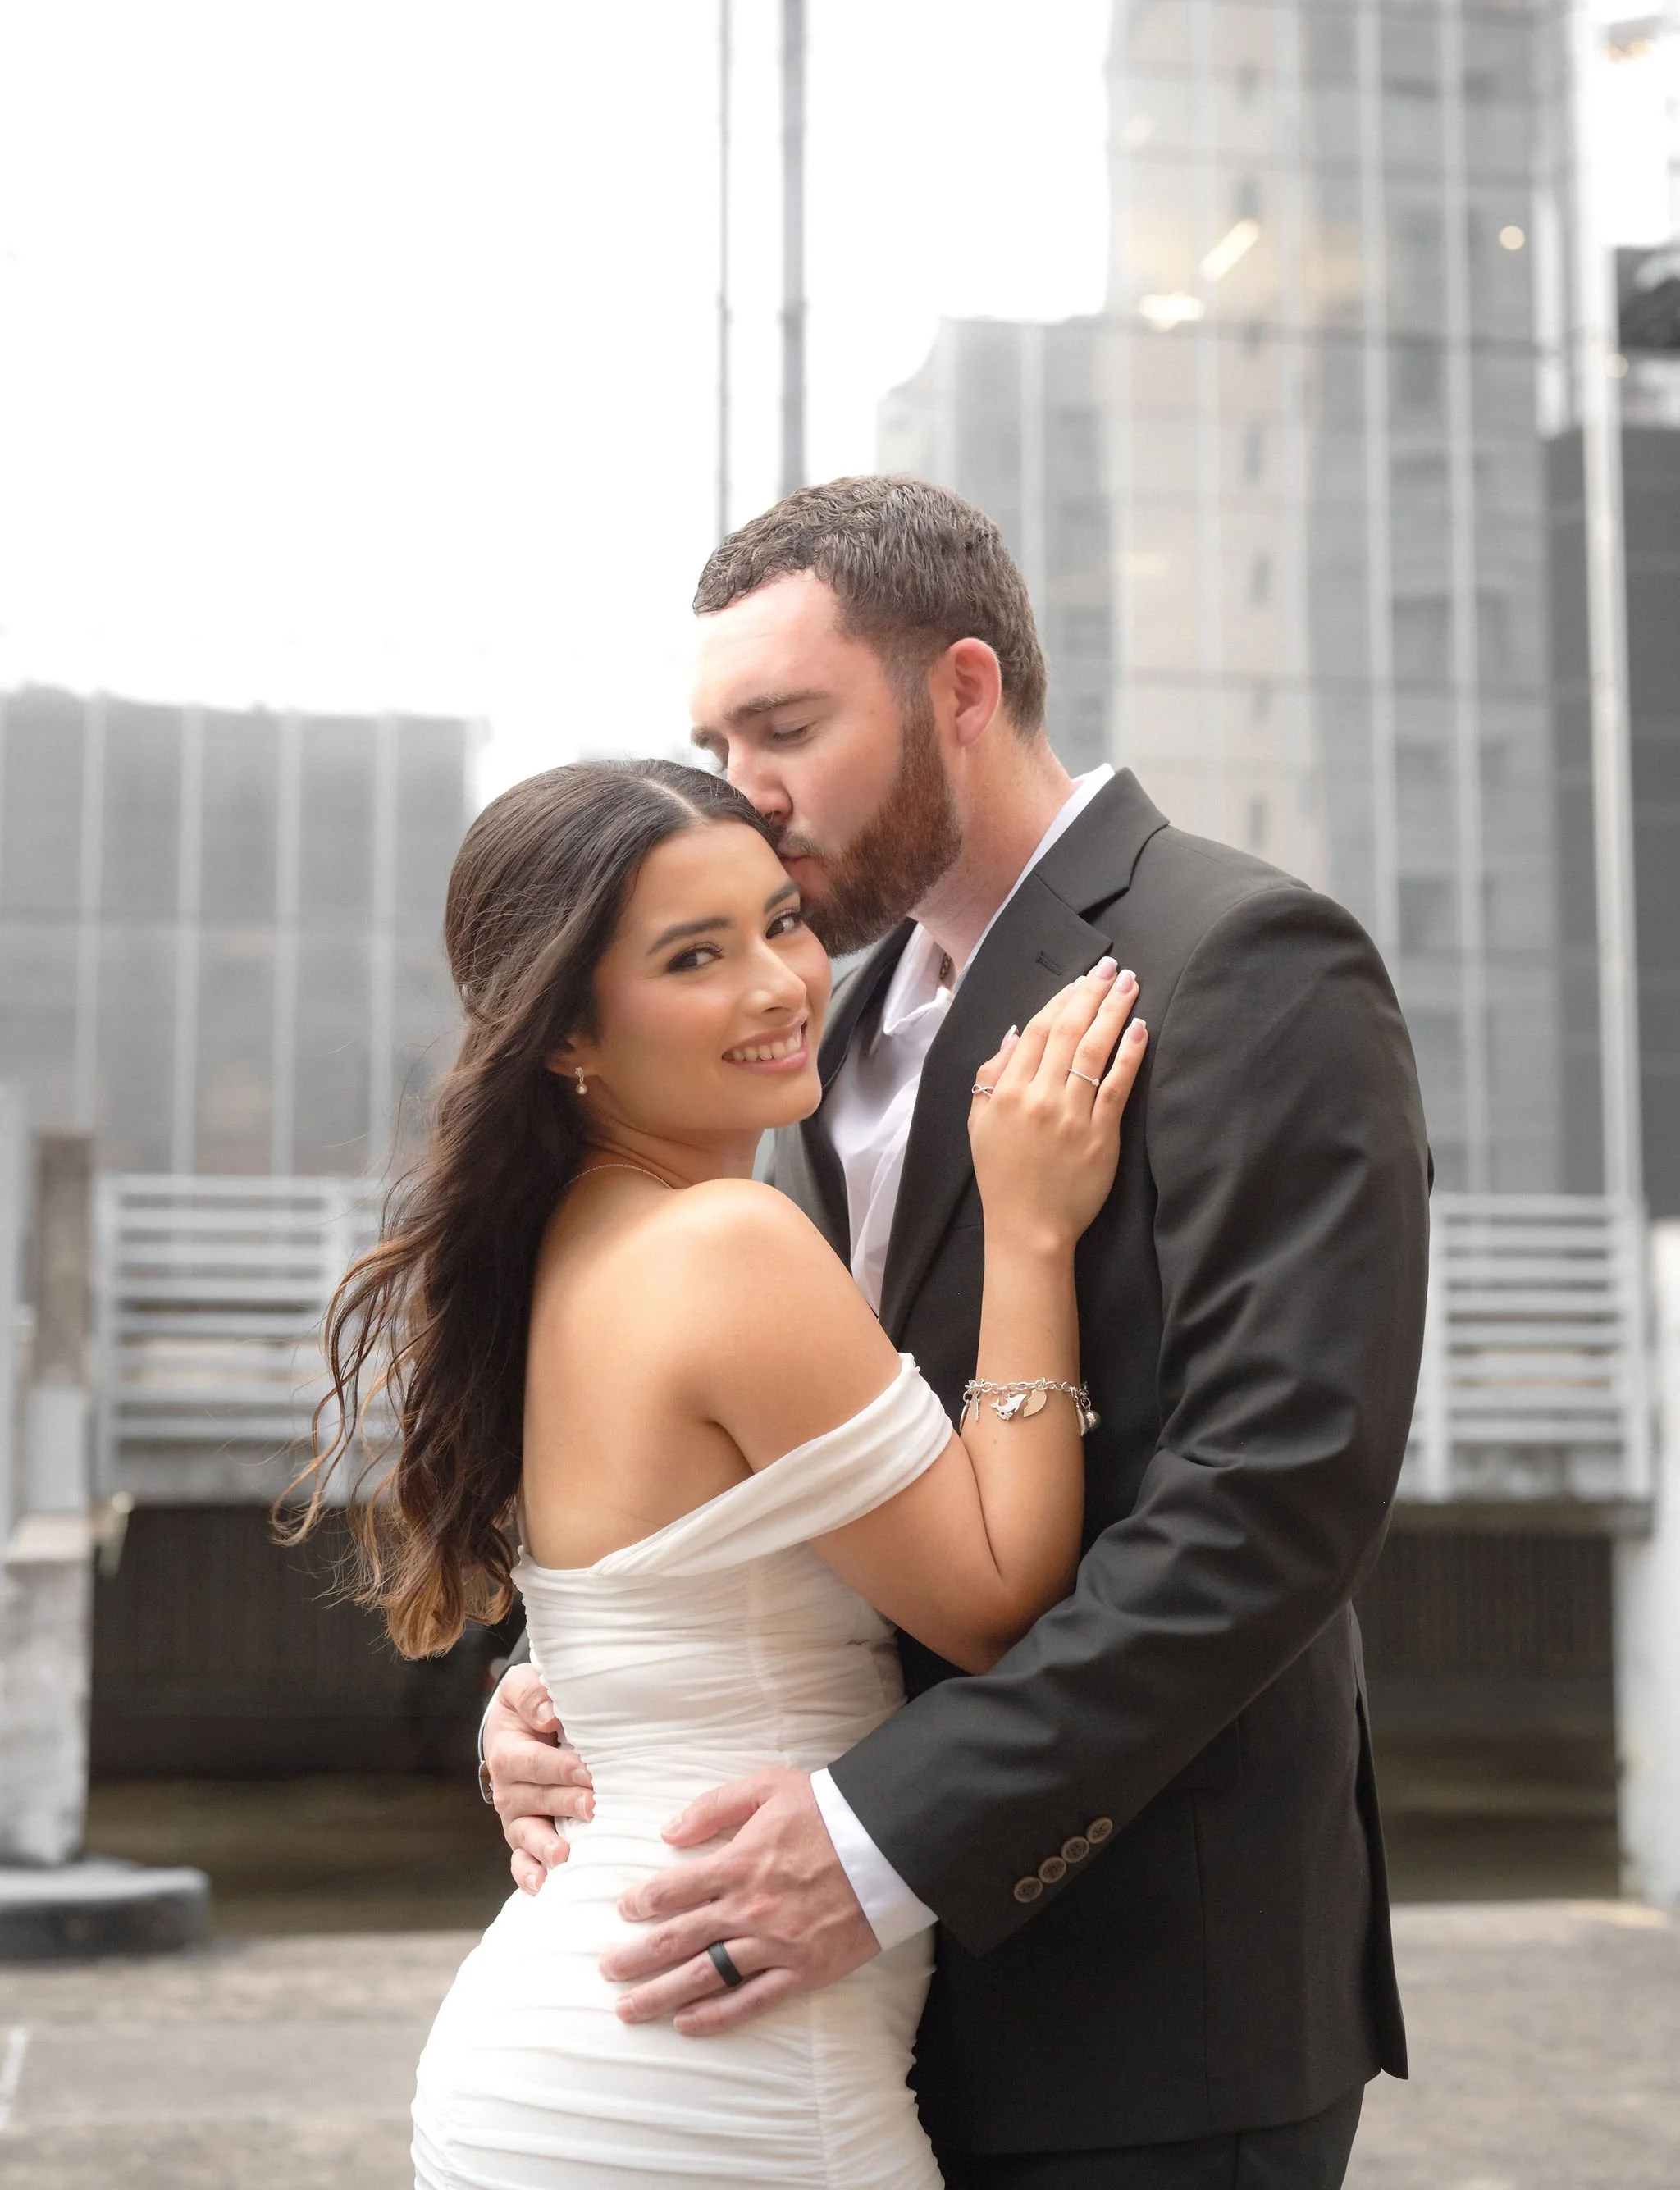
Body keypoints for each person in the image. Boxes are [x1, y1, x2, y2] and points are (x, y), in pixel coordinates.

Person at [484, 477, 1431, 2189]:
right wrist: (591, 1686)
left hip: (1143, 2006)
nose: (744, 801)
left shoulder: (1239, 959)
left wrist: (878, 1840)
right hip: (838, 2010)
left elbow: (1274, 1497)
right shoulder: (823, 1026)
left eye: (783, 728)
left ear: (962, 694)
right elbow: (803, 1452)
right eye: (712, 740)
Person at [293, 751, 1148, 2188]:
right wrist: (1033, 1229)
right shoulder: (727, 1245)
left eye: (782, 922)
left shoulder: (574, 1237)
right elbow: (998, 1601)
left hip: (587, 2046)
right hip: (705, 2081)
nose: (778, 985)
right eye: (697, 955)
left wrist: (544, 1701)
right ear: (568, 1029)